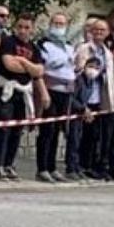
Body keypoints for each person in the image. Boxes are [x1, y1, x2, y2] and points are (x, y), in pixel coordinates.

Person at [0, 12, 42, 181]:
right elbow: (9, 64)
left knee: (17, 130)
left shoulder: (34, 48)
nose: (22, 30)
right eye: (20, 26)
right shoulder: (8, 42)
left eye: (27, 27)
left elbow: (39, 71)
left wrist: (24, 62)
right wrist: (29, 67)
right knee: (3, 128)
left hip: (23, 91)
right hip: (6, 89)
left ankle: (9, 164)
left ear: (32, 29)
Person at [76, 18, 114, 181]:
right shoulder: (84, 49)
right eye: (96, 29)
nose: (99, 33)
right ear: (91, 31)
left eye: (102, 30)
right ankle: (83, 165)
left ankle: (97, 165)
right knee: (87, 134)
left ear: (107, 33)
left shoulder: (107, 53)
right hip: (87, 97)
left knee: (99, 135)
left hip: (101, 98)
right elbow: (79, 71)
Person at [36, 11, 77, 183]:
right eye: (56, 23)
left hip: (65, 92)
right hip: (50, 90)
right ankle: (42, 168)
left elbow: (72, 68)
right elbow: (43, 67)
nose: (58, 26)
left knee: (57, 131)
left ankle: (52, 167)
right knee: (47, 130)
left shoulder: (69, 46)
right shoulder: (43, 44)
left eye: (62, 24)